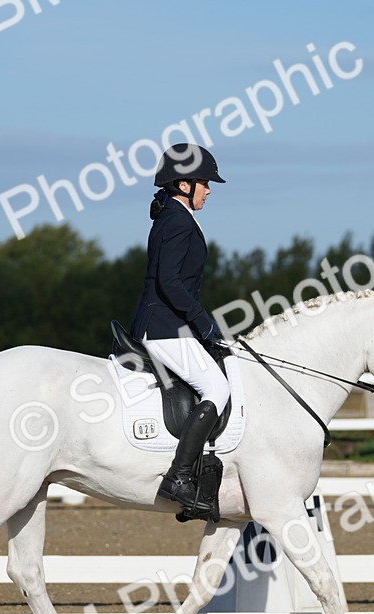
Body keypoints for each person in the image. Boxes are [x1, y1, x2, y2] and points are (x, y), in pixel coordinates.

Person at [130, 143, 229, 512]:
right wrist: (204, 324)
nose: (209, 190)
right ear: (184, 184)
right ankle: (180, 476)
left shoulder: (174, 215)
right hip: (164, 327)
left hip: (170, 324)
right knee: (217, 388)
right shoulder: (177, 220)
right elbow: (169, 282)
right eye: (205, 183)